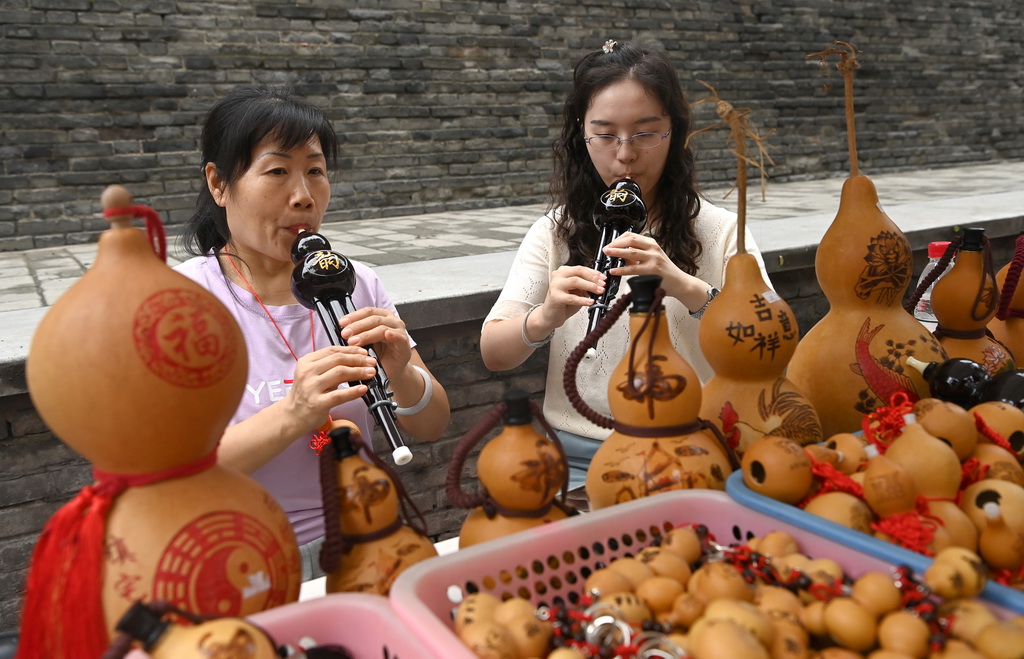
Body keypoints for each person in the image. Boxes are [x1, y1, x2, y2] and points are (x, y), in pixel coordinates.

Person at [176, 85, 450, 580]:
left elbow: (431, 424)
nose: (303, 196)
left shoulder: (356, 281)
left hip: (365, 536)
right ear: (219, 184)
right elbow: (172, 471)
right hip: (242, 557)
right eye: (278, 171)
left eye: (316, 172)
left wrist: (402, 370)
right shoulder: (181, 302)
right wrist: (294, 412)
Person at [480, 40, 768, 490]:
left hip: (691, 448)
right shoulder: (556, 231)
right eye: (606, 134)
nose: (626, 154)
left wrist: (683, 285)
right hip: (576, 456)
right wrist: (545, 317)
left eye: (646, 133)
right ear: (582, 134)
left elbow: (766, 343)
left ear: (675, 132)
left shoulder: (723, 230)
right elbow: (493, 352)